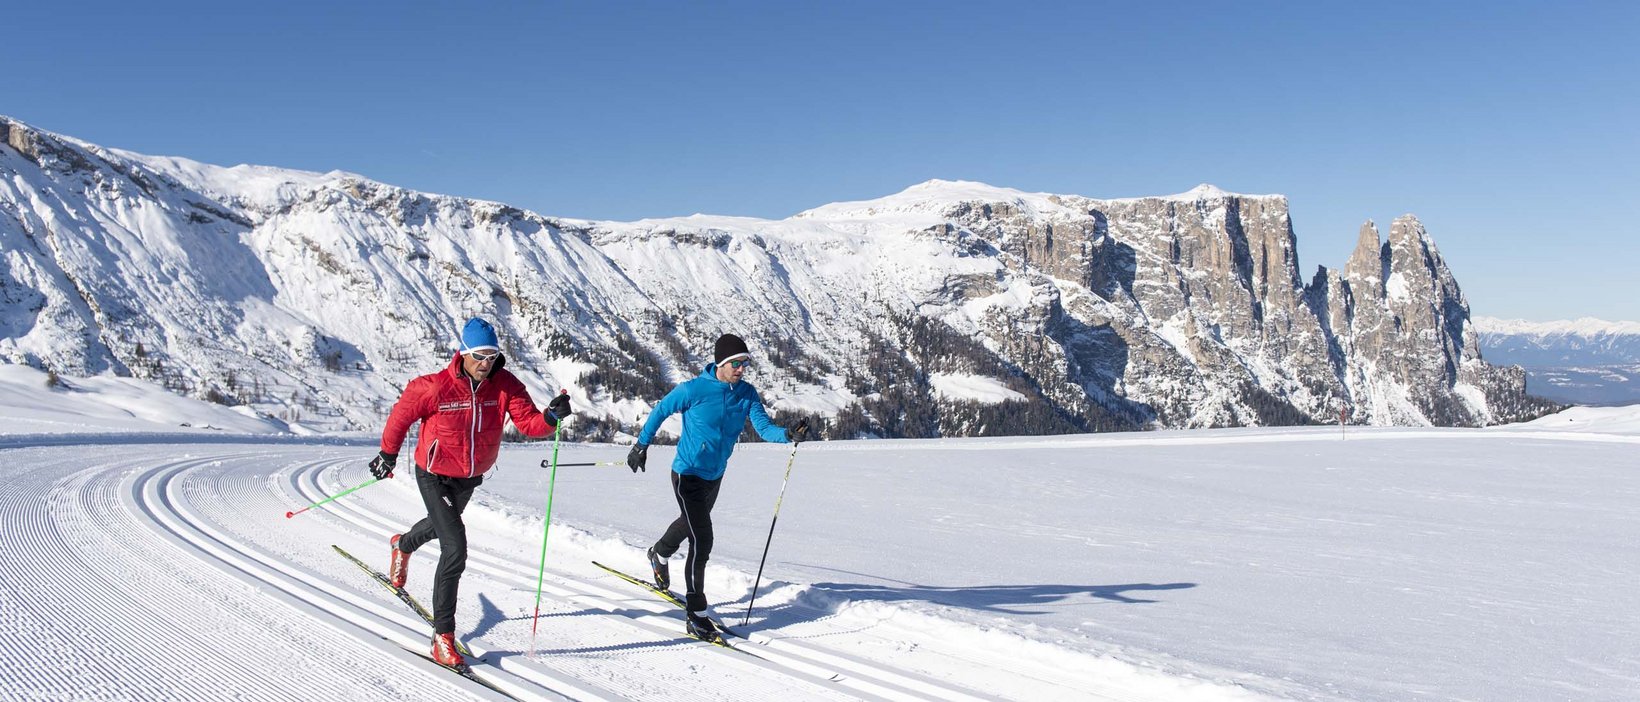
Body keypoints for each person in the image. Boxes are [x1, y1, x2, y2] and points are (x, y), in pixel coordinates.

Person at [368, 317, 572, 667]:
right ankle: (442, 636)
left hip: (468, 477)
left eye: (492, 356)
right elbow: (401, 416)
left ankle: (402, 545)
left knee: (439, 526)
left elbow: (528, 423)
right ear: (462, 352)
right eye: (479, 355)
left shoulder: (505, 386)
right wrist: (388, 454)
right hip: (433, 474)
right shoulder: (436, 387)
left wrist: (551, 417)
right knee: (455, 547)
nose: (485, 363)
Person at [625, 333, 808, 640]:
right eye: (736, 363)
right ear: (721, 363)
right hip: (687, 474)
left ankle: (659, 553)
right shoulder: (694, 389)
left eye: (745, 363)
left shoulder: (746, 393)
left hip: (714, 475)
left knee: (690, 524)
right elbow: (661, 410)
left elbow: (764, 428)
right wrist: (641, 445)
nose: (741, 369)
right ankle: (696, 614)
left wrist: (788, 434)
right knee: (703, 540)